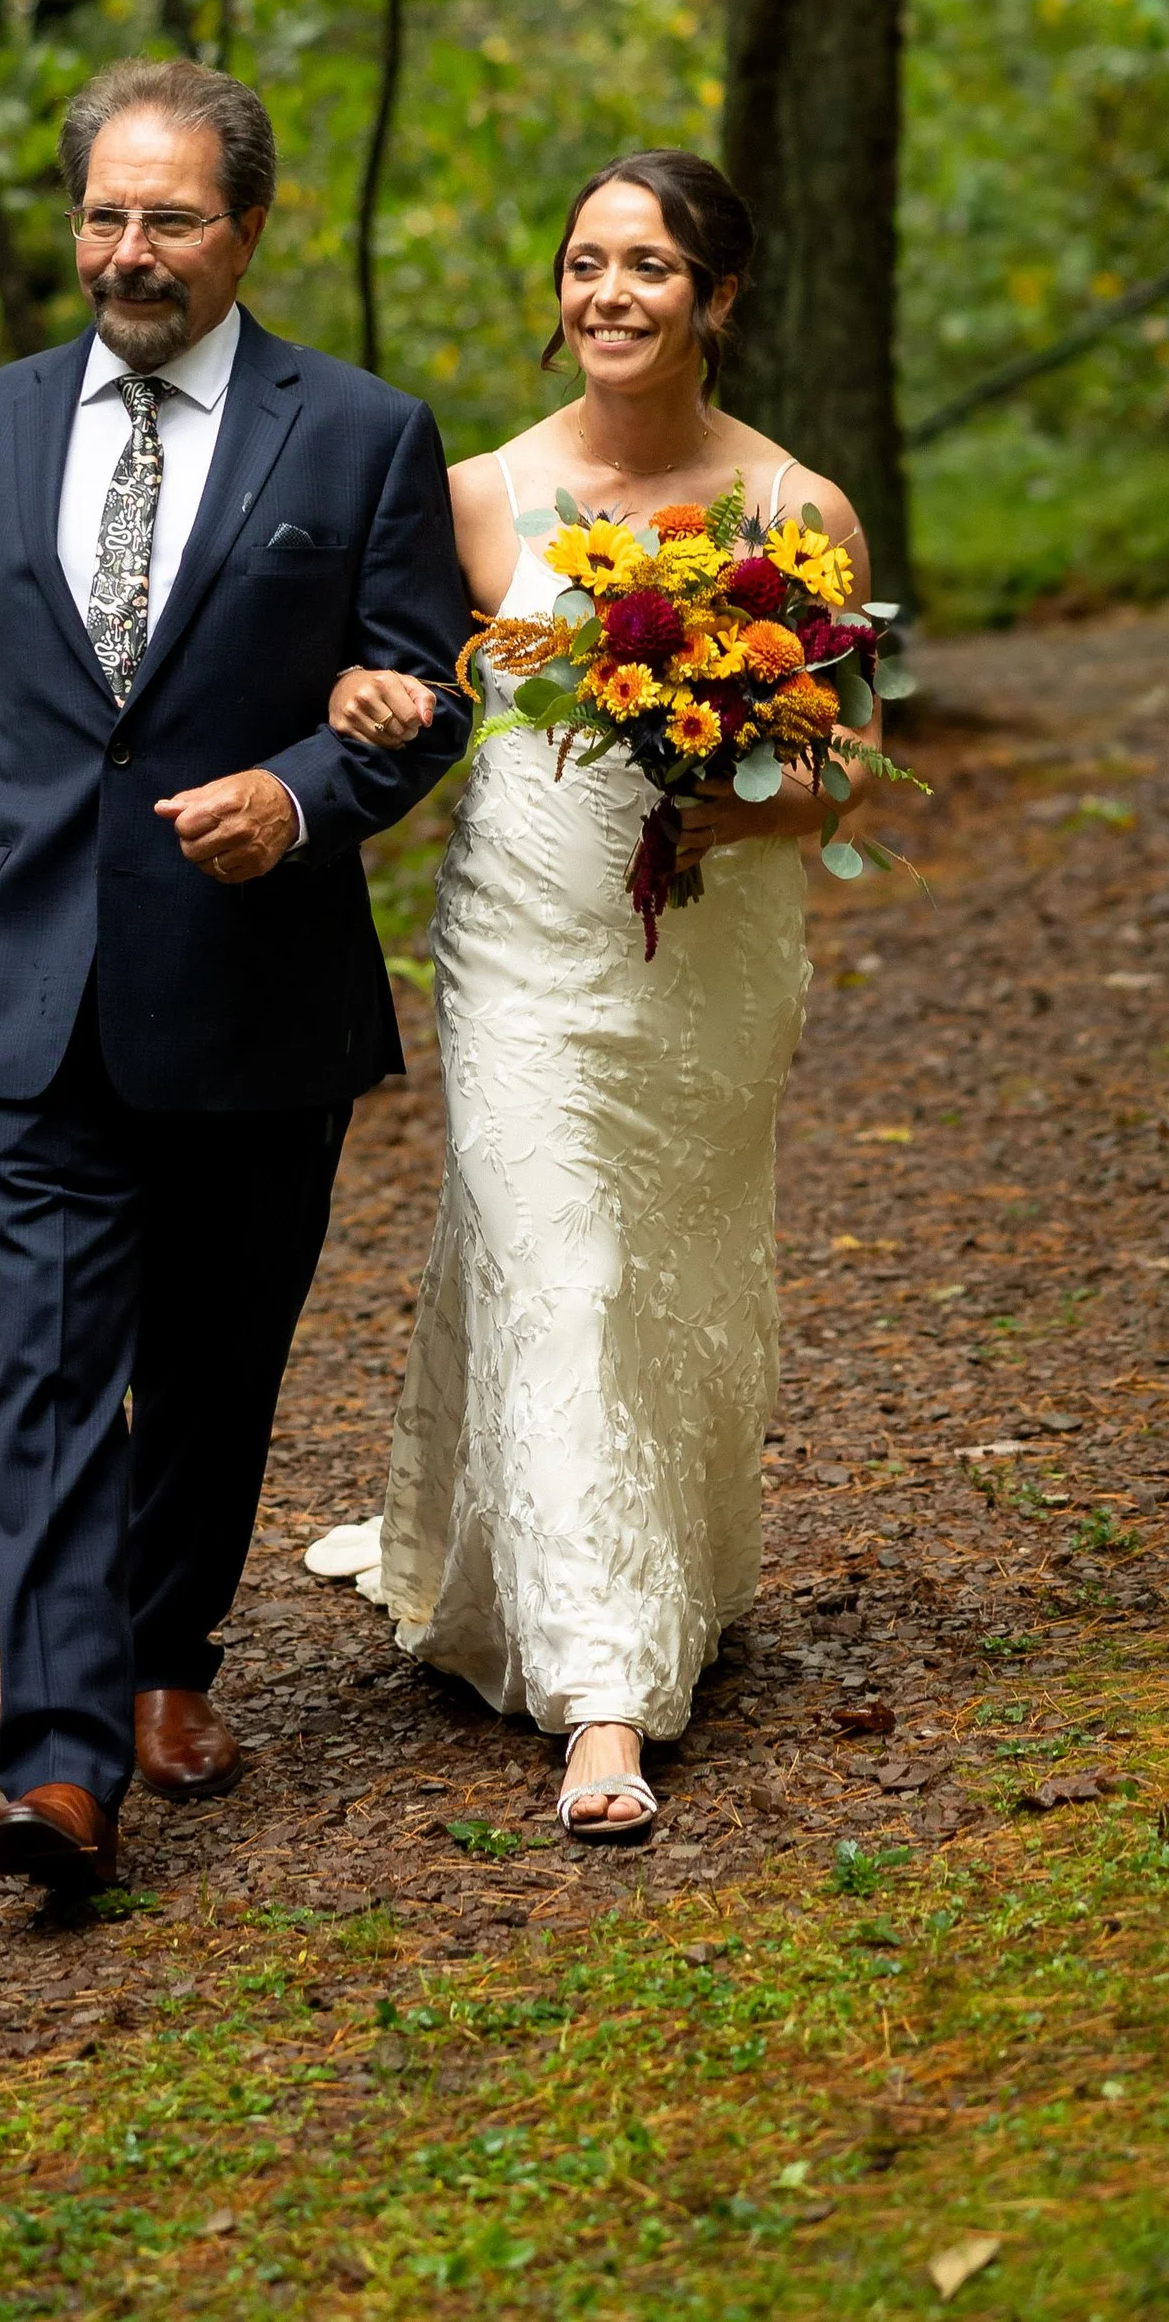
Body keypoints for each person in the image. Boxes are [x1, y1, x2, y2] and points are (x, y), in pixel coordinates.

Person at [0, 59, 470, 1899]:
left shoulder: (360, 435)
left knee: (214, 1360)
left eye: (171, 218)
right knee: (49, 1368)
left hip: (256, 986)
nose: (131, 248)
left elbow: (424, 694)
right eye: (105, 214)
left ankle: (169, 1652)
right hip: (30, 973)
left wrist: (301, 793)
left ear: (245, 231)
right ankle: (58, 1763)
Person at [315, 153, 875, 1841]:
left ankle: (630, 1561)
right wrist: (360, 694)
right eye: (583, 262)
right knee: (564, 1268)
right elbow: (411, 677)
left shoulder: (797, 508)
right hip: (523, 947)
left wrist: (747, 806)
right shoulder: (478, 495)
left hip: (710, 960)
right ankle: (604, 1693)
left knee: (664, 1277)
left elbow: (852, 762)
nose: (608, 292)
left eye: (648, 264)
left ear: (718, 296)